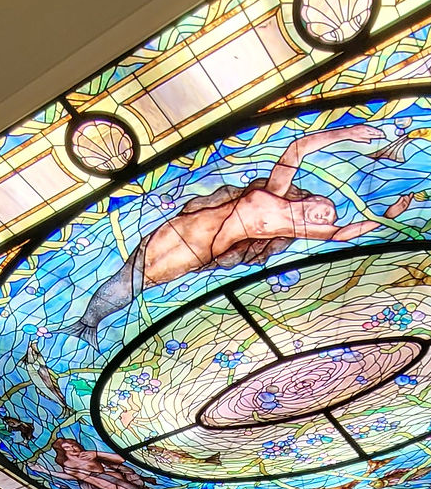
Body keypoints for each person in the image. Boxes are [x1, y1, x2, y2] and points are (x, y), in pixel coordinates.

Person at [72, 125, 392, 346]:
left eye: (328, 220)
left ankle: (89, 324)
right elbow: (297, 149)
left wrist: (386, 218)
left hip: (201, 249)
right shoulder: (275, 189)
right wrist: (346, 133)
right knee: (130, 269)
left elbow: (342, 235)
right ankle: (86, 320)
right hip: (184, 226)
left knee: (141, 281)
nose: (325, 216)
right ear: (313, 198)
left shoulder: (293, 229)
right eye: (327, 208)